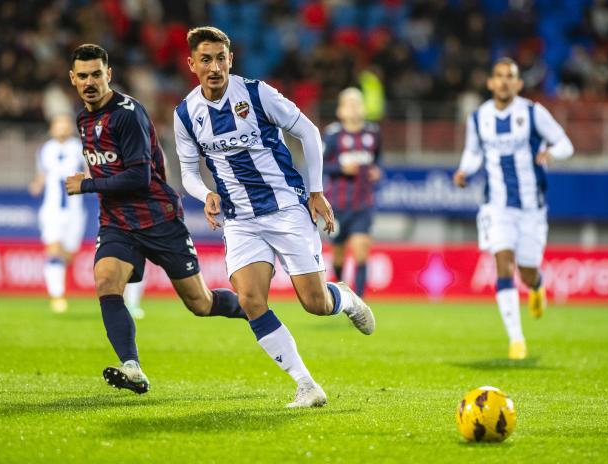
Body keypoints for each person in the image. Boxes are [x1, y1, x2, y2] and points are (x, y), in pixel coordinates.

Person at [175, 26, 375, 408]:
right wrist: (207, 194)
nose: (214, 66)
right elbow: (187, 171)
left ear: (230, 60)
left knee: (315, 303)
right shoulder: (186, 114)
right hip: (240, 220)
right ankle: (306, 385)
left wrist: (315, 192)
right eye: (206, 59)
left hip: (285, 209)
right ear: (192, 64)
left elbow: (309, 133)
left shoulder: (256, 94)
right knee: (251, 300)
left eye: (221, 58)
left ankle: (345, 298)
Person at [65, 43, 247, 395]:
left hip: (158, 218)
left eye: (96, 75)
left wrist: (87, 184)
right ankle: (131, 367)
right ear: (73, 78)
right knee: (106, 282)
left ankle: (253, 307)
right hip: (118, 221)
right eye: (83, 75)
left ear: (109, 75)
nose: (90, 82)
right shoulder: (83, 118)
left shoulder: (127, 114)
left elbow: (139, 177)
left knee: (201, 303)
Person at [453, 57, 574, 360]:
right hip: (497, 206)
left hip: (532, 208)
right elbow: (473, 153)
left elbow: (565, 144)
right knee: (503, 261)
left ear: (518, 84)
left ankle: (537, 285)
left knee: (527, 271)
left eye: (510, 76)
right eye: (499, 76)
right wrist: (464, 171)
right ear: (491, 82)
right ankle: (517, 340)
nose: (504, 81)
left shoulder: (533, 113)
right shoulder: (479, 118)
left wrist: (550, 152)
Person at [322, 88, 382, 297]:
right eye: (349, 103)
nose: (354, 107)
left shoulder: (373, 133)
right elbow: (320, 165)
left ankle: (360, 302)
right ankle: (343, 295)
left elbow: (377, 159)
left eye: (358, 102)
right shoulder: (333, 135)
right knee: (338, 255)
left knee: (361, 249)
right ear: (340, 110)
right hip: (337, 204)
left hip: (363, 204)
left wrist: (376, 171)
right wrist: (341, 168)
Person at [29, 114, 86, 313]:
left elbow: (89, 171)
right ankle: (57, 296)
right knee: (53, 249)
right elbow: (42, 175)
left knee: (68, 255)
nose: (61, 128)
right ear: (52, 128)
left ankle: (59, 285)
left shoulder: (79, 148)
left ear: (70, 127)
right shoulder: (46, 149)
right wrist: (37, 185)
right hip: (52, 209)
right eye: (58, 124)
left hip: (74, 209)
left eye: (65, 124)